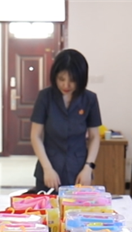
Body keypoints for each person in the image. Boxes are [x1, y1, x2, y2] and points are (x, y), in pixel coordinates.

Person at [31, 49, 102, 190]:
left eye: (72, 80)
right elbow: (35, 136)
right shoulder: (45, 97)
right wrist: (47, 169)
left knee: (78, 205)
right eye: (61, 79)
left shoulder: (90, 99)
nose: (66, 85)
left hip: (79, 170)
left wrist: (88, 167)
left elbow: (94, 137)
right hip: (49, 168)